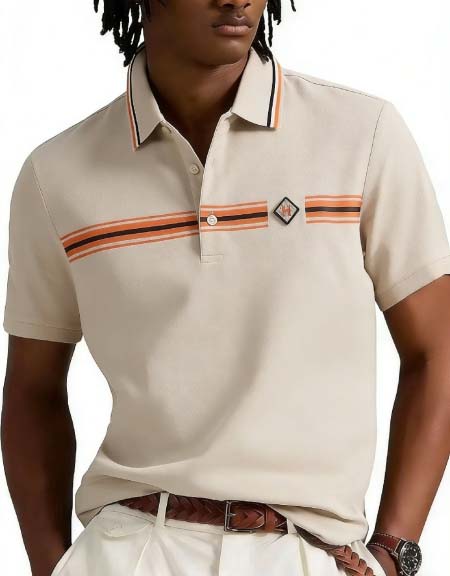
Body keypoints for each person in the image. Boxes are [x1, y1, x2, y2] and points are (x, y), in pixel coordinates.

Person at [2, 1, 450, 575]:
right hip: (131, 549)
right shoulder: (56, 174)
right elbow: (32, 391)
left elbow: (437, 349)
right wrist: (52, 566)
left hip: (308, 552)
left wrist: (393, 553)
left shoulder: (361, 136)